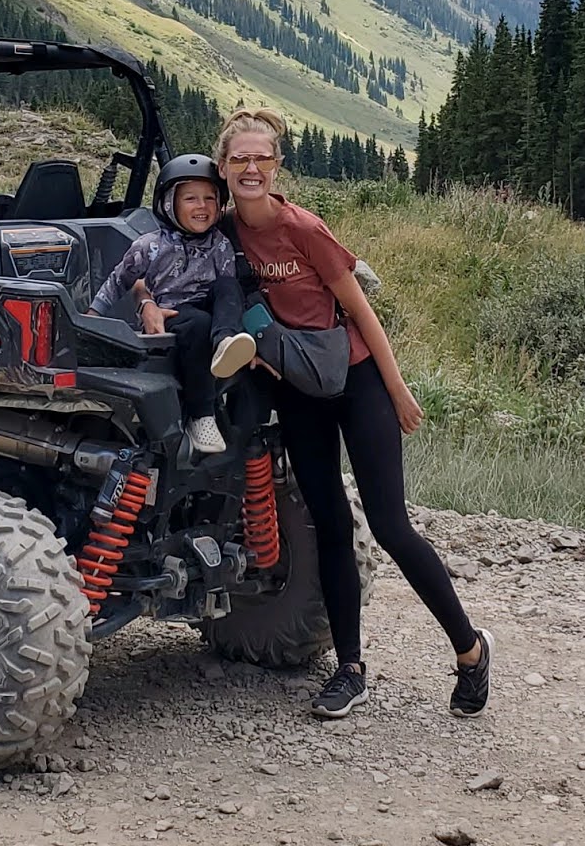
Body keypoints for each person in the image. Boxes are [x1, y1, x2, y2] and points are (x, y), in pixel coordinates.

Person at [215, 107, 493, 720]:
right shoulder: (227, 233)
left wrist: (396, 391)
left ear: (277, 165)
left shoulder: (303, 228)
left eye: (262, 158)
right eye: (241, 159)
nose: (252, 168)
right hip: (296, 389)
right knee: (329, 526)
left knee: (391, 526)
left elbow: (362, 312)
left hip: (358, 379)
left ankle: (471, 650)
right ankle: (349, 669)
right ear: (224, 167)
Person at [88, 154, 257, 454]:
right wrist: (92, 319)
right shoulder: (150, 245)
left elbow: (227, 292)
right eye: (190, 198)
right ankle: (201, 416)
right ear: (168, 203)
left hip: (211, 313)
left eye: (209, 198)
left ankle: (226, 343)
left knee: (229, 287)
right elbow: (119, 281)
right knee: (197, 324)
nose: (202, 206)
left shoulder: (220, 244)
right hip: (172, 312)